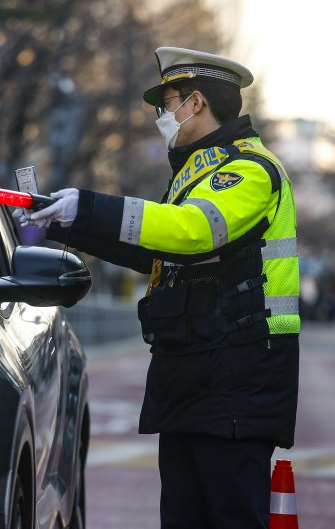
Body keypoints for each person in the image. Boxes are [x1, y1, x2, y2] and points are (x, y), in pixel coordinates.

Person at [17, 47, 299, 529]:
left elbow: (192, 232)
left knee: (231, 516)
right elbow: (158, 250)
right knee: (183, 517)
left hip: (237, 377)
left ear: (196, 103)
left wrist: (88, 206)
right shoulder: (195, 176)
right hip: (195, 372)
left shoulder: (249, 171)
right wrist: (67, 223)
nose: (160, 116)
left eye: (165, 103)